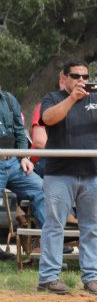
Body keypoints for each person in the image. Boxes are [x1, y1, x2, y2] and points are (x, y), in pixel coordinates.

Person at [38, 59, 97, 295]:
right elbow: (48, 119)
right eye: (76, 76)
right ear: (63, 78)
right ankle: (48, 278)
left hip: (94, 173)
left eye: (85, 77)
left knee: (91, 227)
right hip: (59, 173)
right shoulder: (53, 98)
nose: (82, 81)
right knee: (54, 225)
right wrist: (72, 98)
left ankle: (91, 277)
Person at [0, 82, 45, 229]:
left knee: (42, 189)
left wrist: (24, 157)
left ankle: (49, 242)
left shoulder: (8, 99)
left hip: (13, 162)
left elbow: (20, 131)